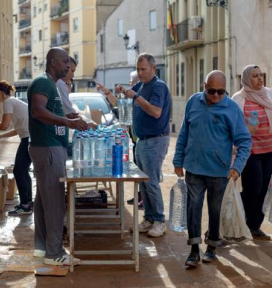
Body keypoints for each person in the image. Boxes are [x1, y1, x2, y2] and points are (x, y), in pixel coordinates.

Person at [173, 70, 252, 267]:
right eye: (212, 91)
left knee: (215, 210)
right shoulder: (193, 102)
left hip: (219, 172)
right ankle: (193, 251)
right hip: (194, 168)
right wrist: (178, 160)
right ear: (204, 86)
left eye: (221, 92)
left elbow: (245, 141)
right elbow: (184, 132)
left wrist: (237, 167)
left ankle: (212, 247)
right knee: (193, 208)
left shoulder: (231, 109)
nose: (216, 96)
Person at [28, 47, 88, 265]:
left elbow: (52, 111)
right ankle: (54, 254)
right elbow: (38, 110)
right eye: (64, 62)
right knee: (54, 202)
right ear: (53, 62)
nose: (68, 66)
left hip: (50, 148)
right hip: (48, 148)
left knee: (45, 200)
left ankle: (42, 248)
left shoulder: (50, 84)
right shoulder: (44, 82)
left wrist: (73, 119)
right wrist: (67, 122)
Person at [116, 53, 171, 238]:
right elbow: (125, 105)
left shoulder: (158, 87)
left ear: (153, 69)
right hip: (141, 140)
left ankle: (160, 221)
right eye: (138, 69)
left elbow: (156, 112)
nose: (140, 73)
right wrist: (112, 94)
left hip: (155, 140)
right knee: (143, 183)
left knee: (152, 182)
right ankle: (149, 218)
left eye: (143, 69)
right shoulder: (140, 86)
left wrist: (136, 96)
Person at [232, 65, 272, 241]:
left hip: (269, 149)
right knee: (253, 187)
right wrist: (247, 130)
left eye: (260, 75)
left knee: (265, 188)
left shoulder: (268, 94)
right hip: (250, 151)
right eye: (255, 76)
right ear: (247, 78)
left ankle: (254, 226)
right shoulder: (238, 98)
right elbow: (234, 124)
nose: (259, 79)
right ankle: (240, 219)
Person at [0, 80, 32, 216]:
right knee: (24, 171)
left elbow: (4, 125)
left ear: (0, 93)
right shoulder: (15, 102)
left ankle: (25, 206)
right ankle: (28, 202)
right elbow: (16, 130)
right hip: (29, 137)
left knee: (18, 171)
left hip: (28, 139)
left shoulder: (8, 102)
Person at [96, 71, 143, 207]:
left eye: (132, 83)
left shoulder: (140, 98)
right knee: (138, 169)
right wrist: (107, 92)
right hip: (135, 141)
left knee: (144, 173)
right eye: (130, 83)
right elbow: (118, 104)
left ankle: (145, 201)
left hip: (142, 140)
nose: (130, 86)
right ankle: (140, 196)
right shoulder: (131, 99)